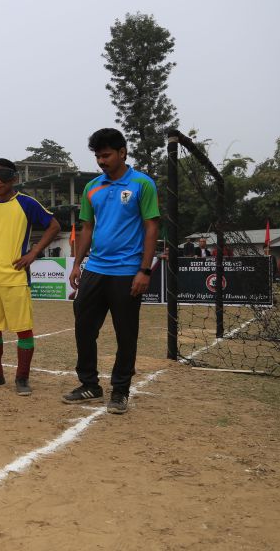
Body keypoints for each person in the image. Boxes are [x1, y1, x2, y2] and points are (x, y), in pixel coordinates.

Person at [64, 128, 160, 414]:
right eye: (97, 156)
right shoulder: (92, 187)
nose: (102, 161)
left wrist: (145, 270)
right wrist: (77, 264)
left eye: (106, 155)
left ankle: (120, 391)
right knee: (83, 328)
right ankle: (89, 384)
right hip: (95, 268)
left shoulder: (142, 184)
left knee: (126, 333)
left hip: (128, 271)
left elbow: (151, 226)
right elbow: (87, 228)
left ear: (122, 152)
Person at [0, 158, 60, 395]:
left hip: (17, 278)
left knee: (24, 330)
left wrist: (34, 253)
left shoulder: (27, 204)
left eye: (3, 176)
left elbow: (54, 226)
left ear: (14, 178)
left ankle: (22, 379)